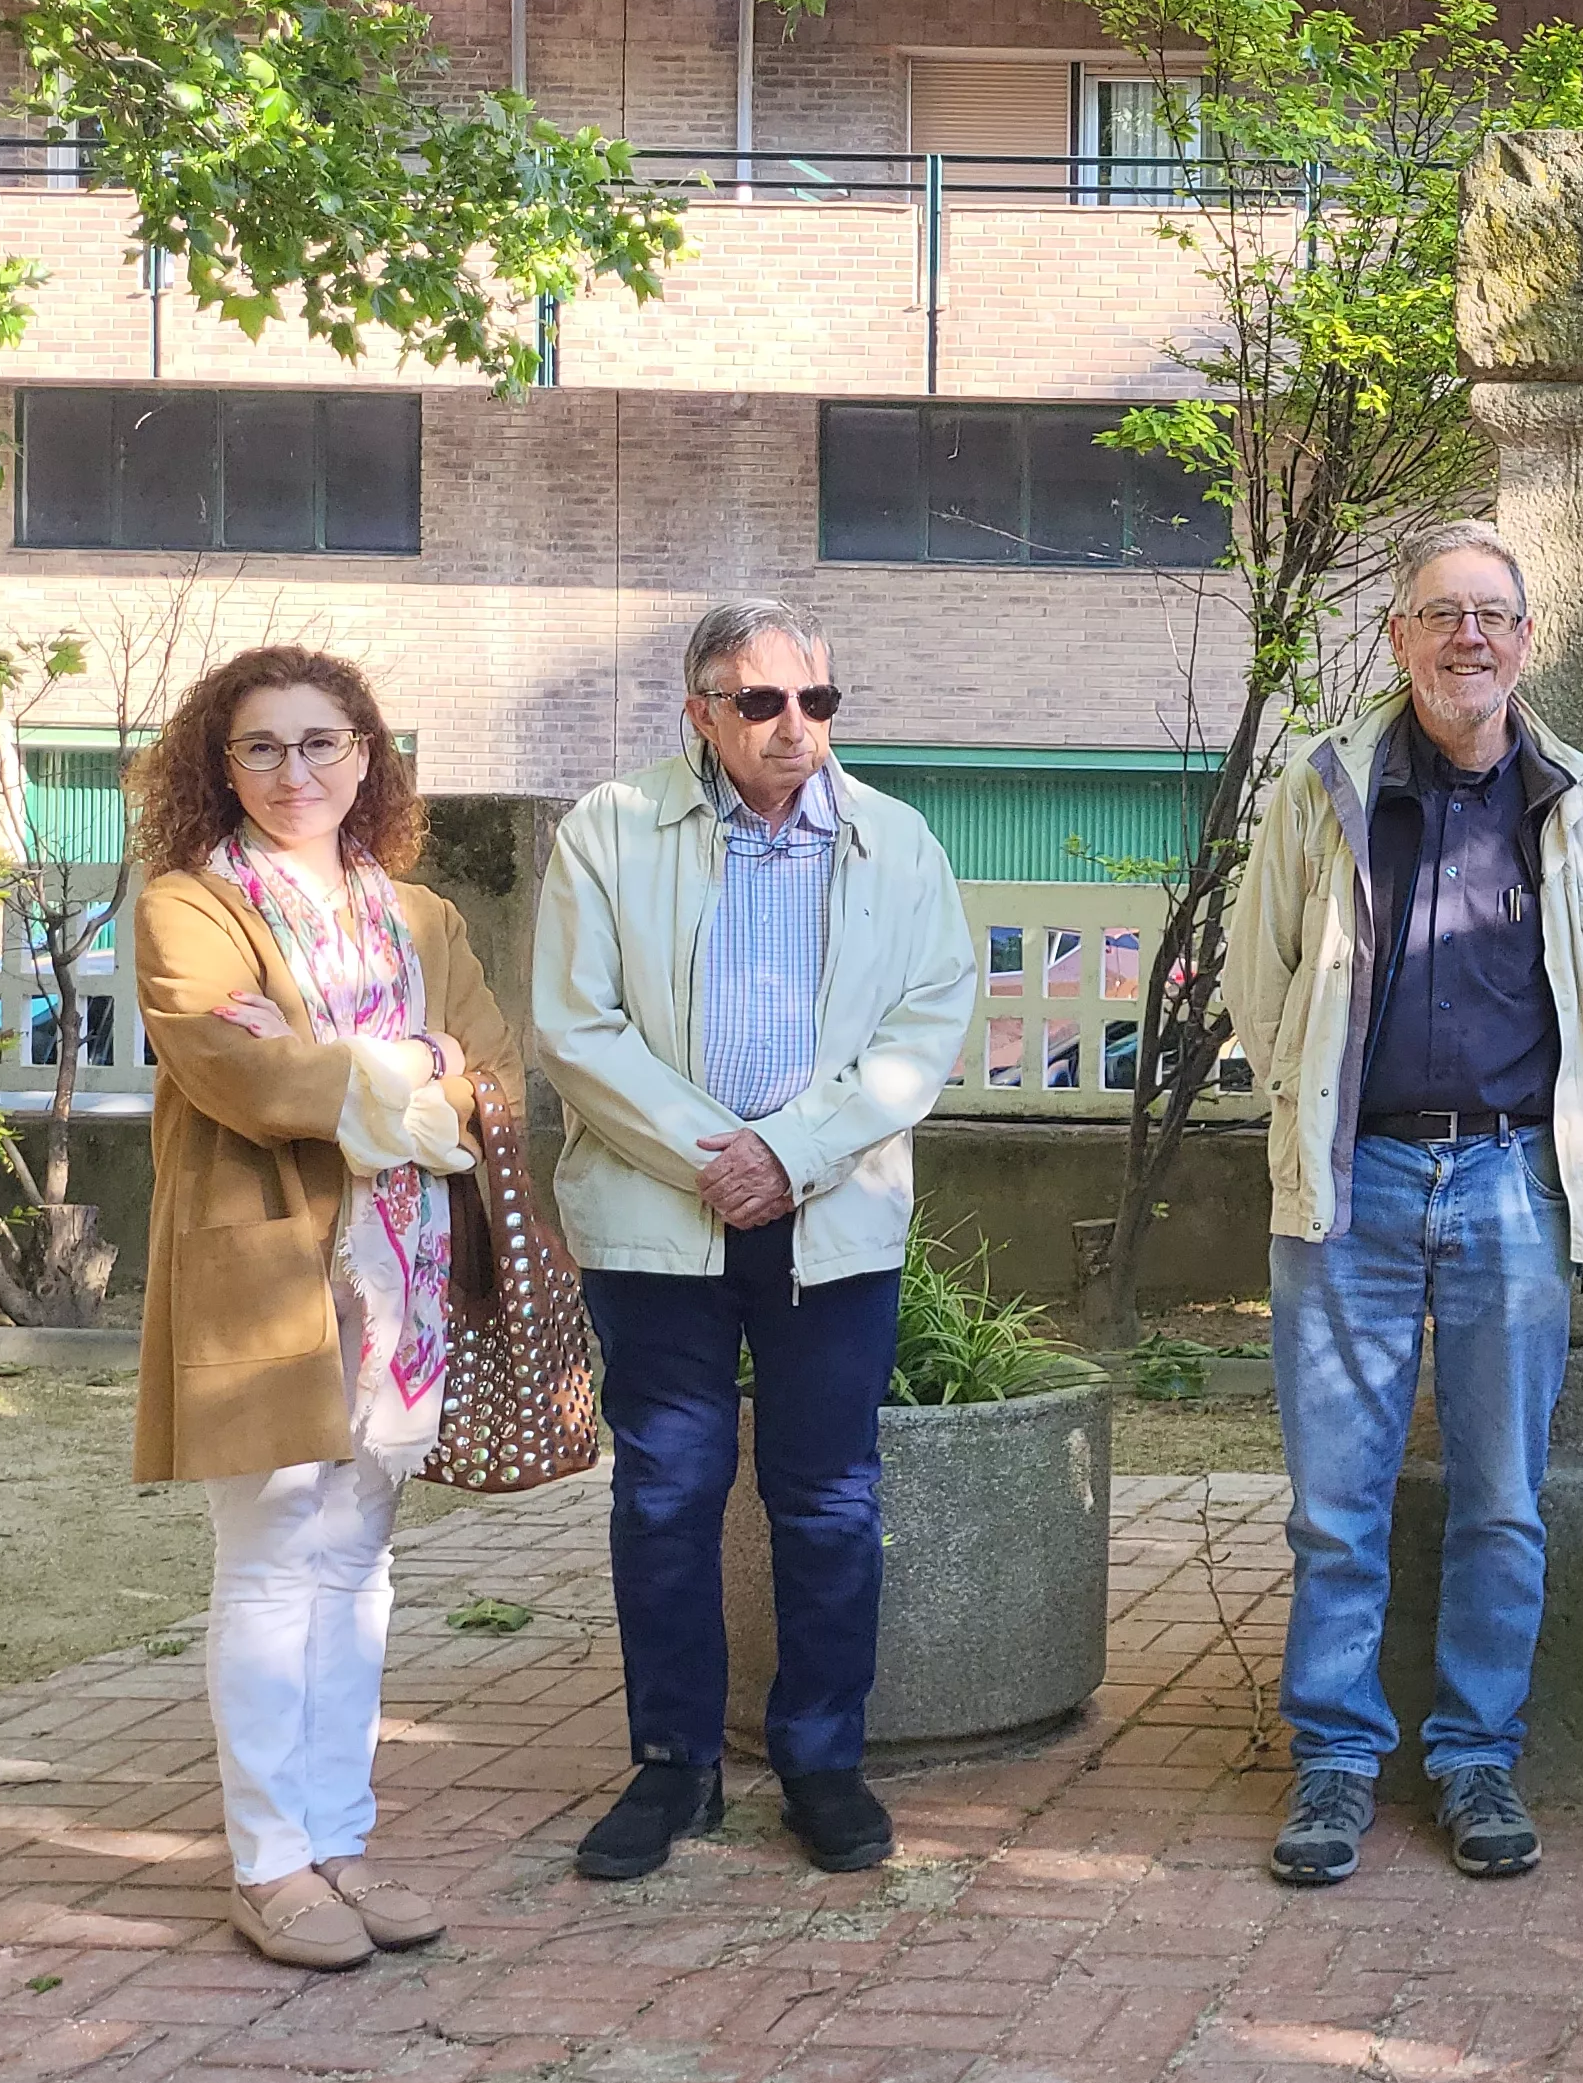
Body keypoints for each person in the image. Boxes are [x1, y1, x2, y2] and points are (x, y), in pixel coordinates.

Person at [1225, 520, 1583, 1887]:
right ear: (1399, 634)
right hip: (1352, 1182)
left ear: (1526, 640)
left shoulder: (1580, 800)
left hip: (1514, 1181)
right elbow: (1260, 983)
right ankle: (1336, 1762)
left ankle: (1476, 1756)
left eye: (1492, 614)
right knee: (1333, 1502)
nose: (1469, 636)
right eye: (1441, 612)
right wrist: (1315, 1115)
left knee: (1503, 1498)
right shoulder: (1323, 787)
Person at [536, 599, 976, 1883]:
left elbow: (926, 1025)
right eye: (762, 701)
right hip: (654, 1219)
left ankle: (822, 1760)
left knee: (828, 1496)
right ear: (700, 712)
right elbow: (575, 1025)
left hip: (828, 1219)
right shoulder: (608, 829)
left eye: (817, 700)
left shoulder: (898, 842)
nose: (796, 725)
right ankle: (672, 1764)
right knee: (664, 1494)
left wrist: (788, 1153)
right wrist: (711, 1157)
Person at [128, 647, 517, 1969]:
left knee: (356, 1562)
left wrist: (349, 1064)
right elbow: (243, 1077)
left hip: (402, 1275)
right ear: (221, 765)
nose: (294, 769)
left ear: (366, 756)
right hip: (266, 1274)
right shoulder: (190, 906)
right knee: (269, 1555)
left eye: (320, 741)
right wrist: (416, 1061)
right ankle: (269, 1863)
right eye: (261, 745)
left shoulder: (424, 918)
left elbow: (493, 1078)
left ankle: (339, 1838)